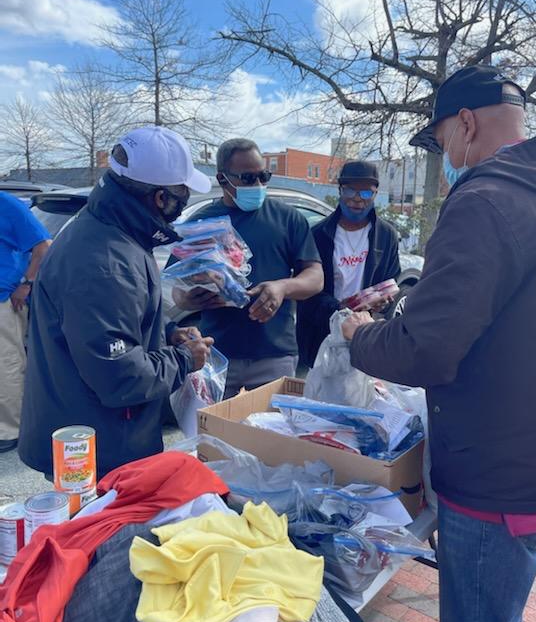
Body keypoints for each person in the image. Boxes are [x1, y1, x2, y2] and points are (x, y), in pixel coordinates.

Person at [340, 65, 536, 622]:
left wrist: (359, 336)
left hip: (500, 480)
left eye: (440, 141)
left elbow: (424, 350)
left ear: (465, 123)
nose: (445, 156)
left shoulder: (484, 200)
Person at [18, 126, 214, 478]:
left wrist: (168, 331)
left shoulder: (114, 230)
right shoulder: (105, 261)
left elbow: (118, 317)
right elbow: (120, 377)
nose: (183, 202)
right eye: (182, 193)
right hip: (97, 451)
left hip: (95, 434)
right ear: (160, 198)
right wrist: (185, 359)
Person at [173, 137, 323, 398]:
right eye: (248, 178)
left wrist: (282, 287)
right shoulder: (200, 224)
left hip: (275, 354)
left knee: (272, 425)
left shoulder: (287, 219)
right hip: (217, 353)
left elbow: (315, 277)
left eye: (264, 176)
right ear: (222, 179)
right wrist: (187, 300)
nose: (258, 185)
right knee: (215, 424)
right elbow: (176, 287)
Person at [297, 160, 400, 368]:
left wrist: (383, 302)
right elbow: (305, 294)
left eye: (366, 193)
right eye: (350, 191)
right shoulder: (318, 235)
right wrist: (338, 309)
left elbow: (391, 280)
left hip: (363, 335)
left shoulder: (386, 235)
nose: (357, 199)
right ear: (340, 190)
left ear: (375, 194)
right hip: (322, 336)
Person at [0, 193, 51, 453]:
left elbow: (44, 246)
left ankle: (11, 429)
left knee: (6, 364)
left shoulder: (5, 204)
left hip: (3, 298)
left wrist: (27, 283)